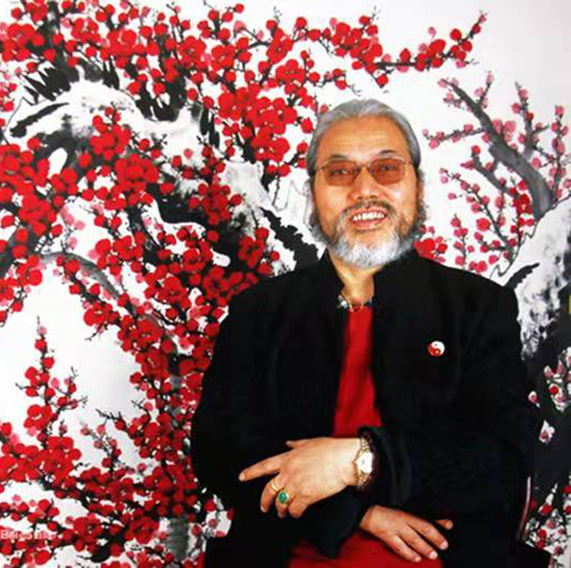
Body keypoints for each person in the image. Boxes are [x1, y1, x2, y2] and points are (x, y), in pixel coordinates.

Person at [191, 98, 547, 567]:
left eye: (387, 168)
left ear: (418, 185)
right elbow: (220, 451)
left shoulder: (477, 306)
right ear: (313, 193)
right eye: (339, 172)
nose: (364, 189)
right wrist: (355, 513)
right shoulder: (259, 311)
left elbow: (502, 457)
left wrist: (360, 460)